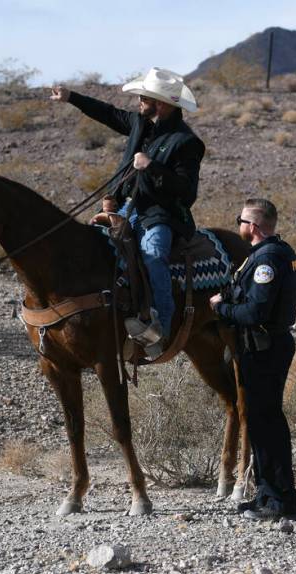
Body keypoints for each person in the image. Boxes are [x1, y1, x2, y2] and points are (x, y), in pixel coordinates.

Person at [50, 68, 205, 357]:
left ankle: (162, 326)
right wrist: (72, 97)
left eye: (143, 97)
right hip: (125, 208)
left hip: (160, 215)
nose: (138, 102)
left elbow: (187, 193)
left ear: (160, 103)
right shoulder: (139, 123)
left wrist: (153, 167)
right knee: (91, 246)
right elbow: (107, 113)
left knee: (153, 254)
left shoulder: (186, 142)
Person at [210, 199, 296, 520]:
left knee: (266, 424)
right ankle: (268, 494)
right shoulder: (282, 253)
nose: (237, 224)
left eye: (241, 219)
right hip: (269, 344)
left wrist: (221, 308)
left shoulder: (266, 260)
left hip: (263, 347)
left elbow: (255, 312)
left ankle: (279, 500)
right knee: (263, 423)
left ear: (252, 226)